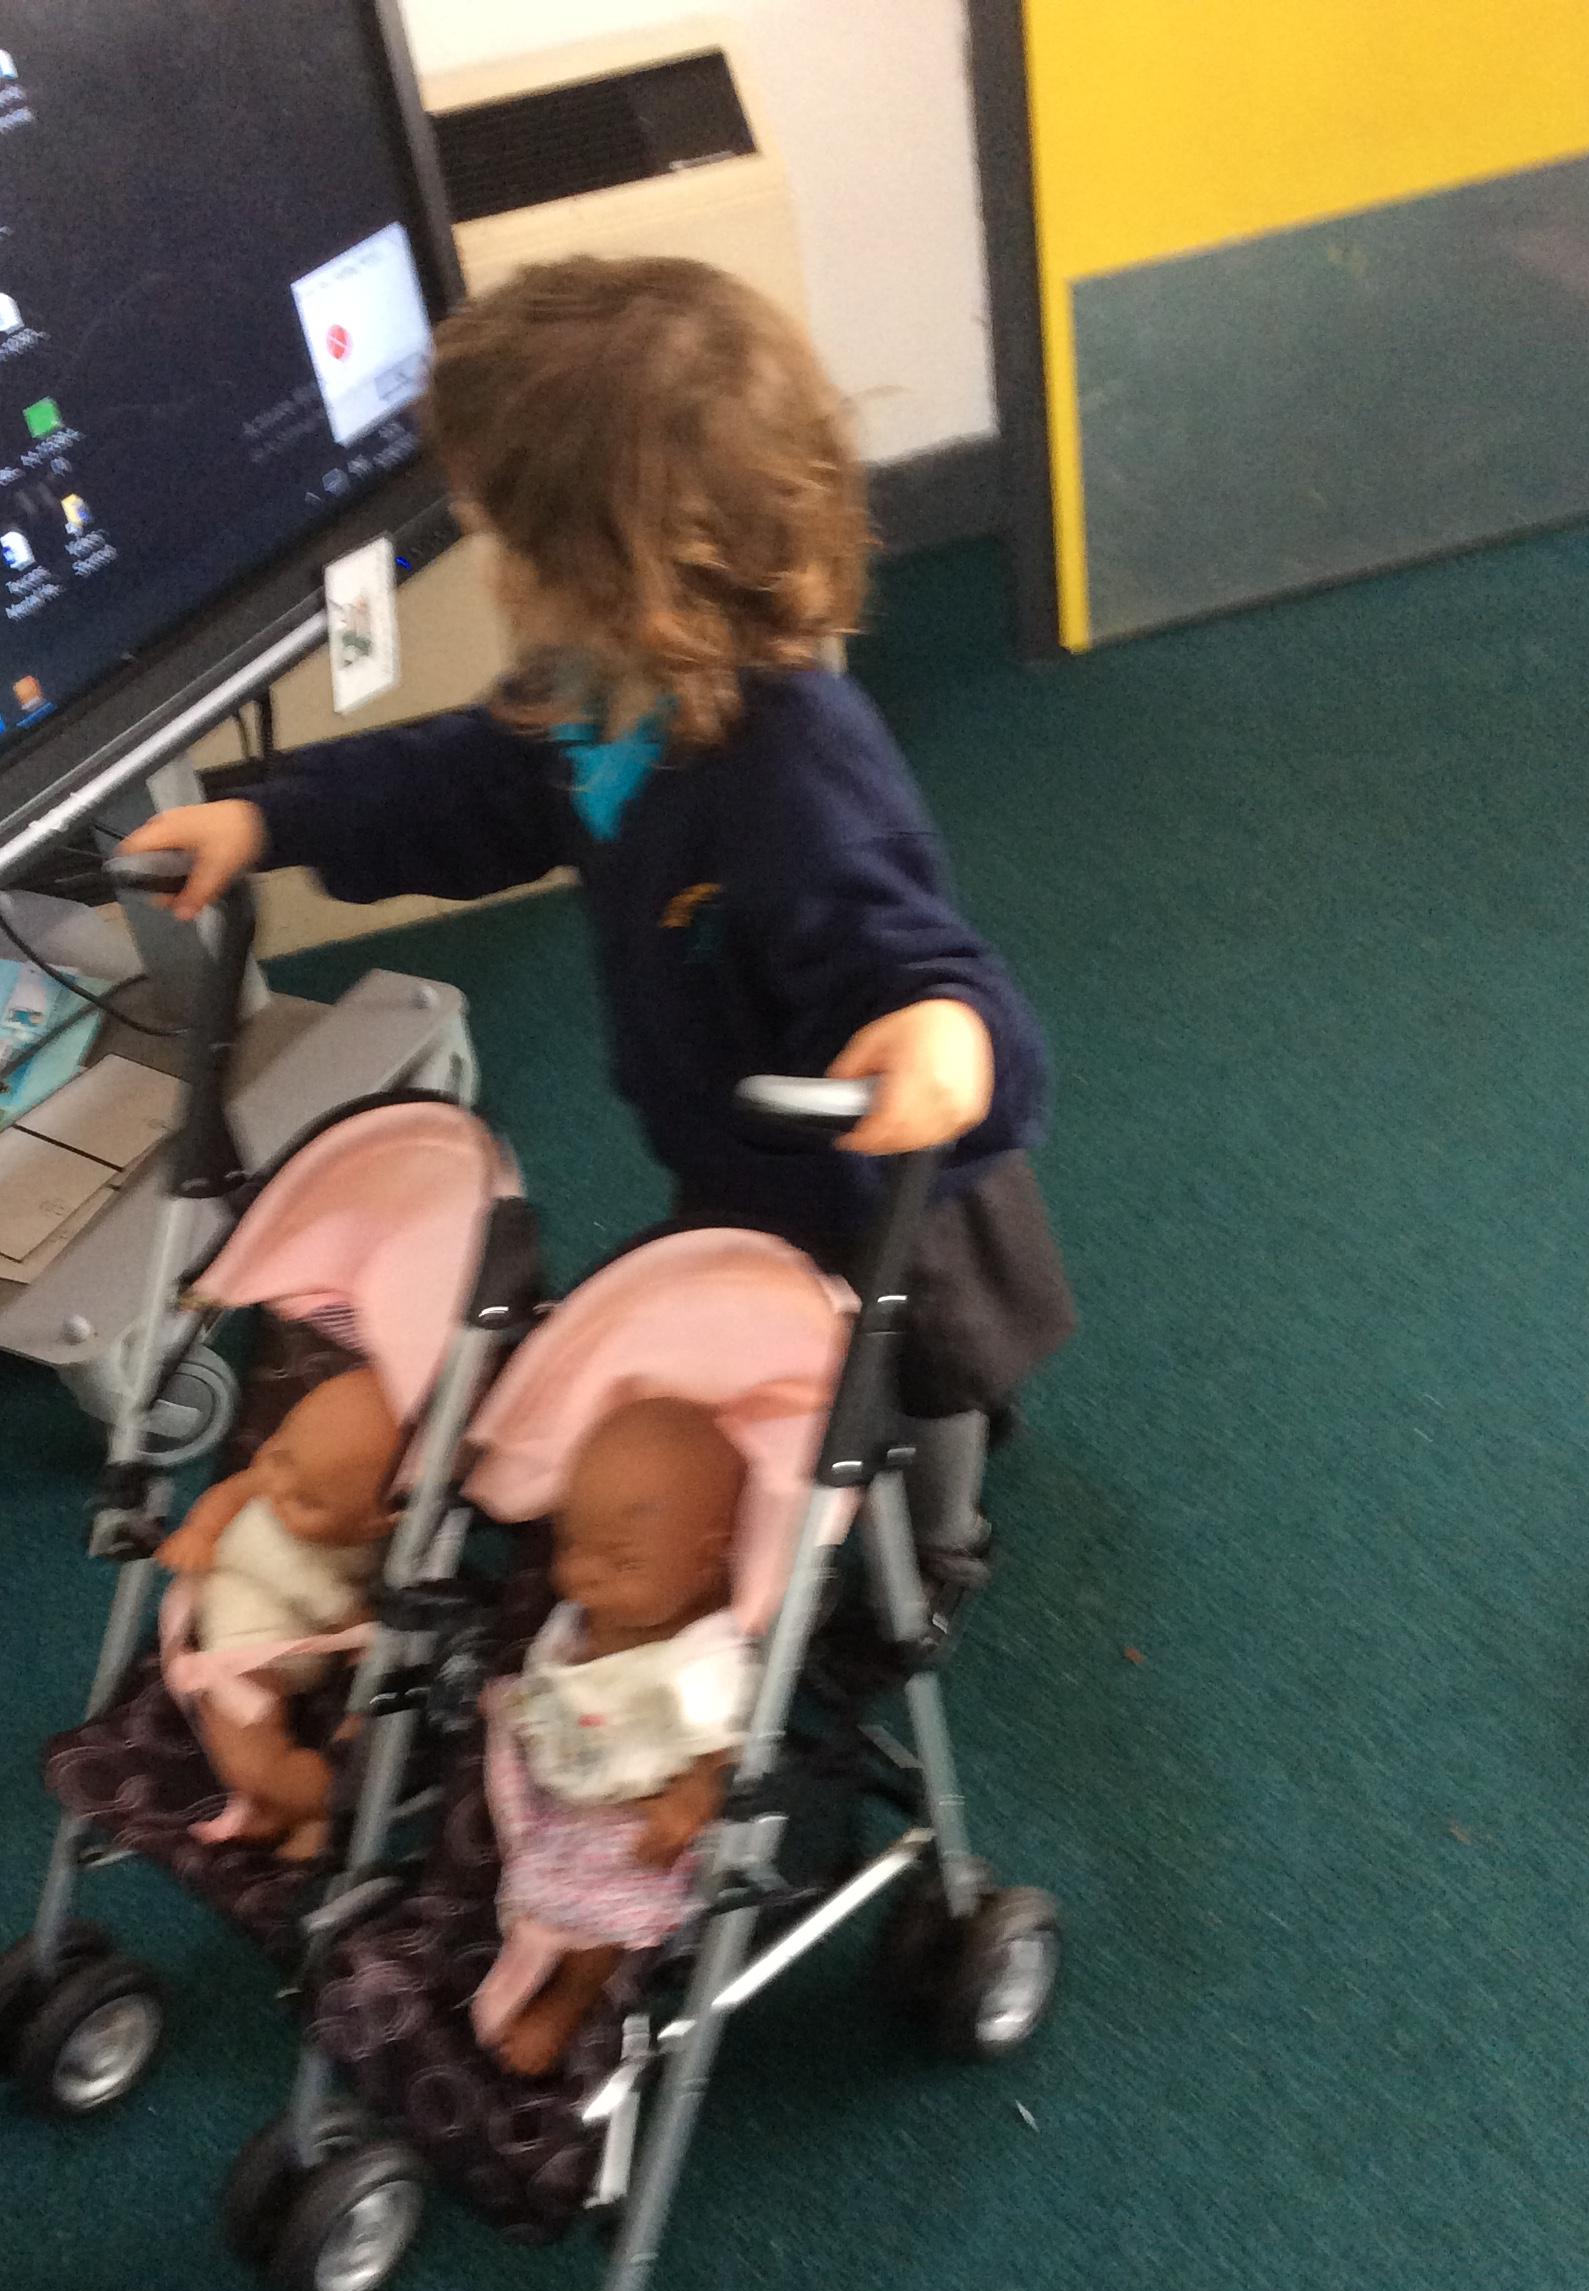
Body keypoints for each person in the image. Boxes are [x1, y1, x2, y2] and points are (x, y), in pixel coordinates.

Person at [122, 256, 1075, 1629]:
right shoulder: (598, 689)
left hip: (884, 1185)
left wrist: (944, 1029)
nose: (490, 558)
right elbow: (465, 784)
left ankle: (937, 1544)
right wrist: (276, 815)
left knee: (919, 1372)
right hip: (735, 1150)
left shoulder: (798, 771)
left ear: (593, 566)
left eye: (500, 531)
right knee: (749, 1361)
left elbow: (922, 960)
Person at [474, 1394, 752, 2077]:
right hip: (567, 1764)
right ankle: (534, 1914)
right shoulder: (604, 1599)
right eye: (572, 1544)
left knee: (602, 1914)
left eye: (620, 1563)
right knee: (507, 1783)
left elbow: (721, 1744)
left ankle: (573, 1995)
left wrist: (694, 1794)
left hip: (633, 1811)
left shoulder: (700, 1662)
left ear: (705, 1563)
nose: (582, 1576)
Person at [156, 1366, 398, 1859]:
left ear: (376, 1523)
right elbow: (236, 1489)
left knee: (247, 1755)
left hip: (262, 1655)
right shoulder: (287, 1479)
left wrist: (358, 1634)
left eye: (305, 1500)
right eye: (280, 1452)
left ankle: (316, 1803)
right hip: (226, 1624)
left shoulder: (345, 1551)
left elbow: (344, 1612)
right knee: (236, 1739)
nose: (277, 1484)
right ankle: (279, 1805)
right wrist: (201, 1530)